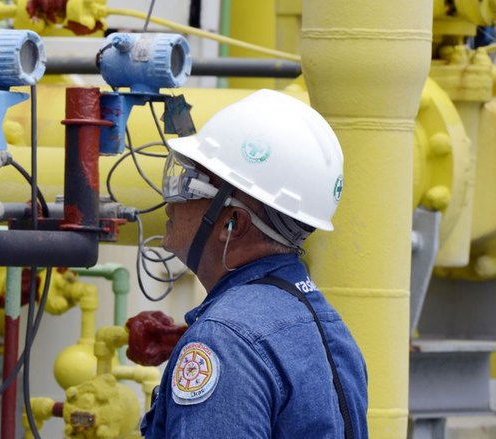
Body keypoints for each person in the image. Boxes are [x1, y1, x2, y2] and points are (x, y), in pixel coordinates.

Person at [137, 89, 368, 438]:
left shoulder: (225, 340)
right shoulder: (328, 324)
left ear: (232, 222)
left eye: (190, 186)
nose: (171, 204)